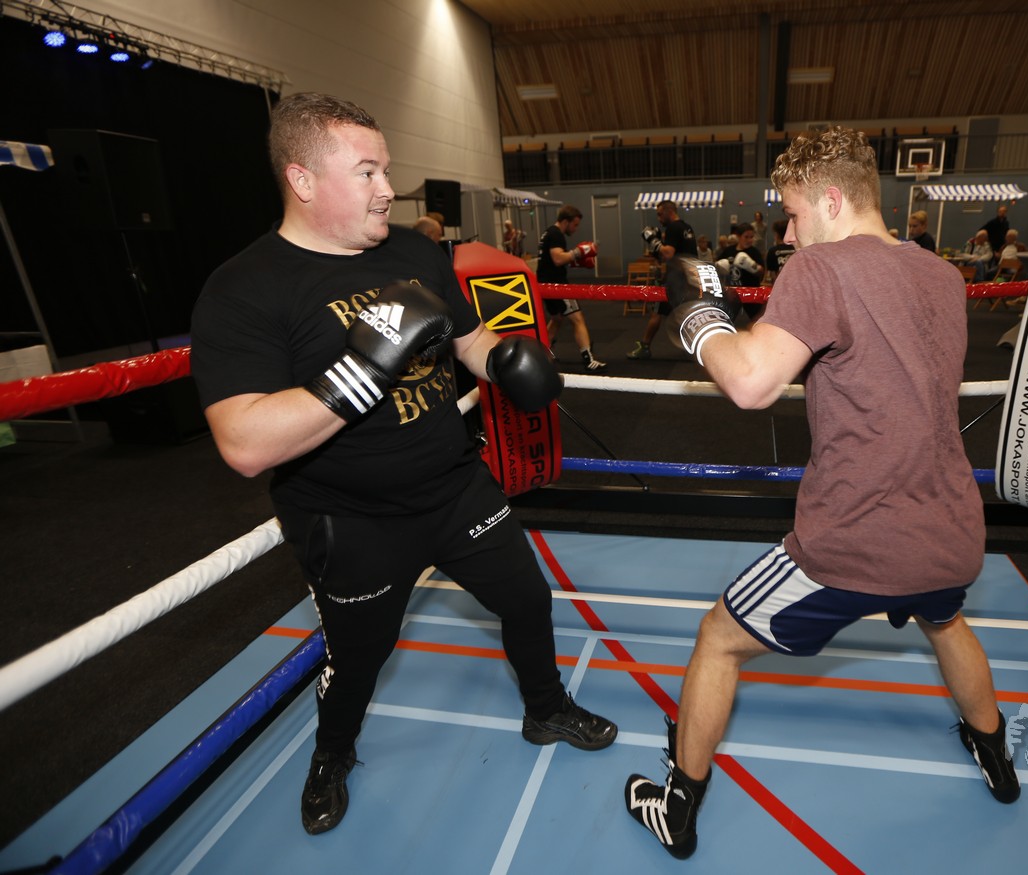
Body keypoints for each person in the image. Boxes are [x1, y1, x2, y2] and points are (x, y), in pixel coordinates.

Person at [189, 92, 616, 837]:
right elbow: (244, 442)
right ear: (303, 180)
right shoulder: (244, 287)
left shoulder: (414, 254)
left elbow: (468, 339)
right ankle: (333, 752)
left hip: (454, 487)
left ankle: (545, 708)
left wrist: (505, 361)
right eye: (367, 172)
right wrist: (366, 367)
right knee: (359, 657)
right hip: (349, 517)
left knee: (526, 600)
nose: (388, 188)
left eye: (386, 169)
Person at [622, 126, 1018, 859]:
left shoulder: (822, 268)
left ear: (831, 200)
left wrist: (697, 316)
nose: (788, 232)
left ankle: (676, 806)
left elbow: (751, 383)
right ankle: (997, 757)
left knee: (716, 639)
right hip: (950, 526)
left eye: (793, 214)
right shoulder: (940, 275)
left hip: (855, 538)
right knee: (945, 622)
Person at [537, 204, 606, 370]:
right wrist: (579, 252)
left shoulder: (548, 233)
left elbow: (553, 261)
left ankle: (541, 355)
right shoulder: (556, 234)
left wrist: (578, 261)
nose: (576, 229)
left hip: (545, 284)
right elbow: (558, 259)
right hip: (558, 286)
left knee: (557, 319)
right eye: (575, 225)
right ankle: (589, 359)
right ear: (565, 221)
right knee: (578, 318)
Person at [627, 199, 698, 359]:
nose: (658, 219)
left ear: (668, 212)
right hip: (688, 277)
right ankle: (695, 347)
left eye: (660, 214)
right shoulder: (686, 227)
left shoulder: (673, 227)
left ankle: (645, 347)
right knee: (684, 313)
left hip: (675, 279)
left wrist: (653, 240)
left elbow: (668, 253)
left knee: (657, 312)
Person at [715, 223, 766, 320]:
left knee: (754, 322)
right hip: (732, 296)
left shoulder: (754, 252)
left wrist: (752, 265)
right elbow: (716, 266)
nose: (749, 240)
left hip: (751, 296)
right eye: (746, 237)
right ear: (738, 236)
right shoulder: (728, 251)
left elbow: (761, 272)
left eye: (751, 237)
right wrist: (719, 267)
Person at [764, 218, 795, 284]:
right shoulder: (797, 249)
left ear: (777, 235)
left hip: (780, 285)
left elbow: (771, 275)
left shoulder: (772, 251)